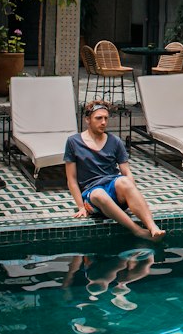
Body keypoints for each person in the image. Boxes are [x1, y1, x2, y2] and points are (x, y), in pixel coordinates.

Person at [65, 100, 164, 241]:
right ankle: (137, 231)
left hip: (114, 189)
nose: (104, 122)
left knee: (124, 181)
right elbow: (71, 179)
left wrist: (133, 194)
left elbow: (127, 172)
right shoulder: (73, 142)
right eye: (99, 118)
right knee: (99, 193)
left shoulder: (115, 141)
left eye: (106, 118)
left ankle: (152, 227)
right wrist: (81, 206)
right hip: (92, 194)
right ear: (87, 120)